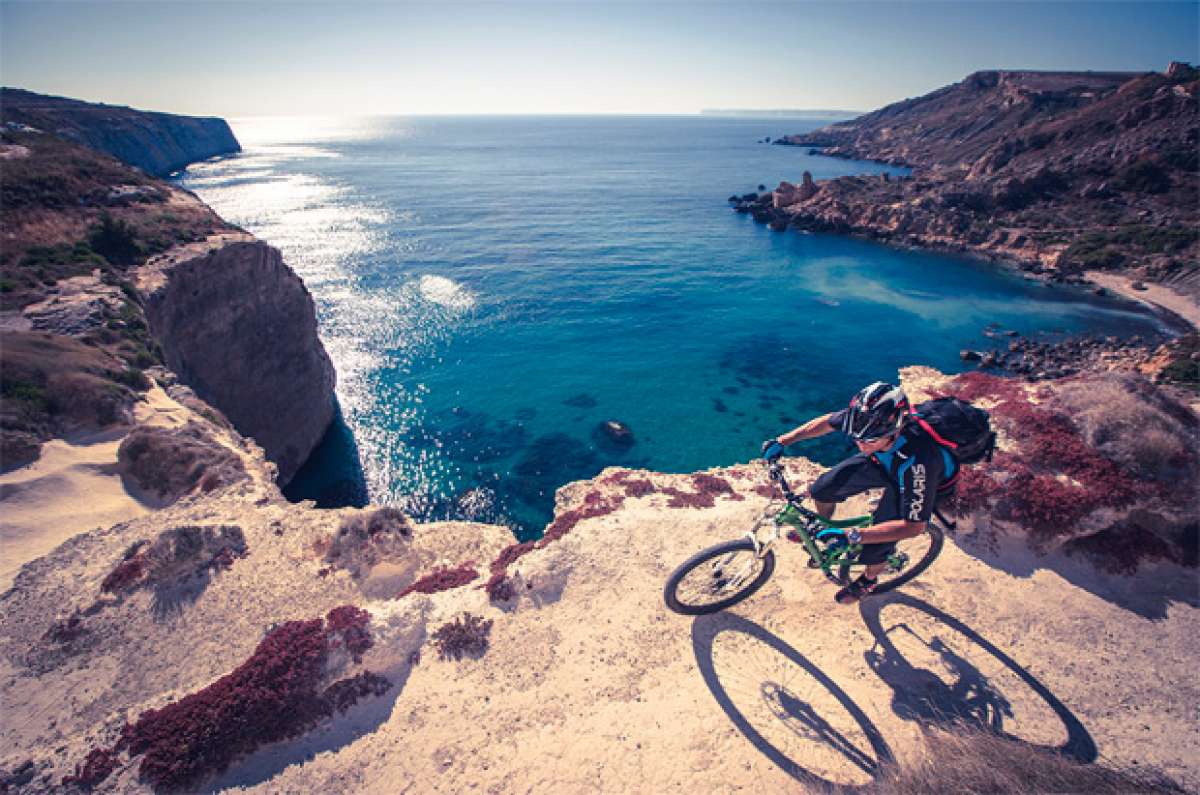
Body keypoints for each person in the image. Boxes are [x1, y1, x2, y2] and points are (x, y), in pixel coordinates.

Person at [761, 382, 957, 605]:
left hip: (919, 481)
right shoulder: (864, 419)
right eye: (857, 438)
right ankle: (824, 528)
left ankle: (868, 580)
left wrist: (852, 536)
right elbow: (826, 422)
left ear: (894, 431)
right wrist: (783, 441)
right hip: (883, 461)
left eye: (868, 440)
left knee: (875, 545)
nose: (861, 444)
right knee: (822, 489)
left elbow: (914, 527)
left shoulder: (919, 462)